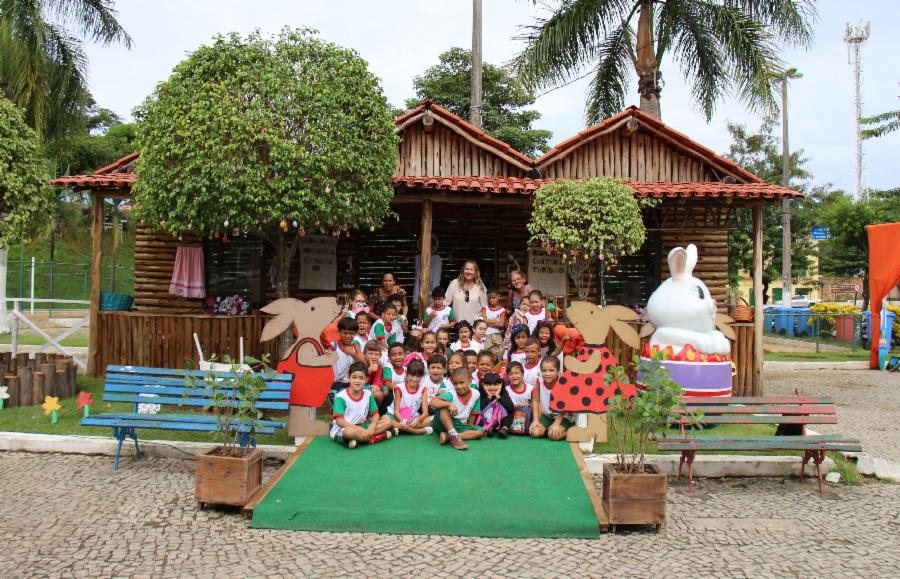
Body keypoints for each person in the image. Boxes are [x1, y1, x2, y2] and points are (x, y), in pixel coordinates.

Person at [330, 362, 393, 448]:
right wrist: (357, 429)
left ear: (366, 379)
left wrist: (372, 425)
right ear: (349, 378)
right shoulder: (341, 397)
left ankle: (359, 440)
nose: (357, 381)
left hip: (363, 426)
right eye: (354, 377)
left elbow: (376, 415)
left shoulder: (368, 394)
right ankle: (376, 438)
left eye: (361, 378)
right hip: (345, 428)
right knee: (349, 433)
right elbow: (339, 421)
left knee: (388, 422)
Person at [429, 367, 483, 450]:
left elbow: (473, 413)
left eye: (462, 383)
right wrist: (449, 404)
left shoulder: (476, 394)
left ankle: (448, 436)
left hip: (457, 425)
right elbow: (432, 402)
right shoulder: (451, 394)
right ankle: (454, 436)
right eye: (455, 384)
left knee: (480, 432)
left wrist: (470, 427)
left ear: (470, 381)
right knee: (443, 408)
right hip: (441, 424)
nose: (458, 386)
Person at [529, 356, 572, 440]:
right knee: (535, 432)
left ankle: (571, 431)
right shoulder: (539, 381)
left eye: (551, 370)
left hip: (563, 416)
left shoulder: (563, 382)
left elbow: (565, 405)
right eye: (544, 370)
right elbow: (535, 400)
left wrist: (557, 423)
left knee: (553, 435)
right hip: (548, 415)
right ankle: (548, 428)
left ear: (558, 371)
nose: (547, 374)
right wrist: (536, 420)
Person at [390, 360, 433, 435]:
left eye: (418, 376)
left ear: (422, 376)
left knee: (434, 419)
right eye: (412, 375)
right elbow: (396, 412)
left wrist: (418, 420)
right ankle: (418, 431)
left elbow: (425, 413)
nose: (415, 379)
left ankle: (401, 429)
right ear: (406, 373)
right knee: (387, 421)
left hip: (412, 418)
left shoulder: (423, 389)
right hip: (398, 417)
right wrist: (402, 421)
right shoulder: (399, 388)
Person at [444, 260, 487, 325]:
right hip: (458, 325)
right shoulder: (455, 283)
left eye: (471, 269)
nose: (469, 272)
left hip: (475, 326)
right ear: (463, 271)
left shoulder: (480, 286)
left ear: (475, 272)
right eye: (467, 269)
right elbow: (446, 302)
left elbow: (485, 307)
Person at [331, 317, 366, 393]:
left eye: (351, 333)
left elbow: (364, 365)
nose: (348, 336)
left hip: (351, 384)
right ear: (339, 332)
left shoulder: (356, 347)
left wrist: (353, 354)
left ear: (355, 333)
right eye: (345, 333)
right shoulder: (333, 346)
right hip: (334, 384)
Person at [477, 371, 513, 438]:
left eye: (495, 384)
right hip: (486, 420)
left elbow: (511, 408)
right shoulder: (480, 393)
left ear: (500, 385)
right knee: (478, 415)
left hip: (499, 420)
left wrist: (498, 396)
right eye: (488, 385)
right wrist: (488, 397)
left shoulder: (503, 393)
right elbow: (479, 409)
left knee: (510, 413)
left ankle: (504, 429)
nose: (492, 387)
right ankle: (489, 429)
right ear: (483, 385)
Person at [505, 361, 536, 436]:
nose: (514, 376)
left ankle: (529, 427)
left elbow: (537, 404)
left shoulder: (531, 389)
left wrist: (529, 406)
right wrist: (516, 406)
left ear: (522, 374)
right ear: (508, 376)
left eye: (516, 373)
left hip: (527, 417)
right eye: (511, 374)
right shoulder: (506, 390)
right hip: (512, 417)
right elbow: (504, 407)